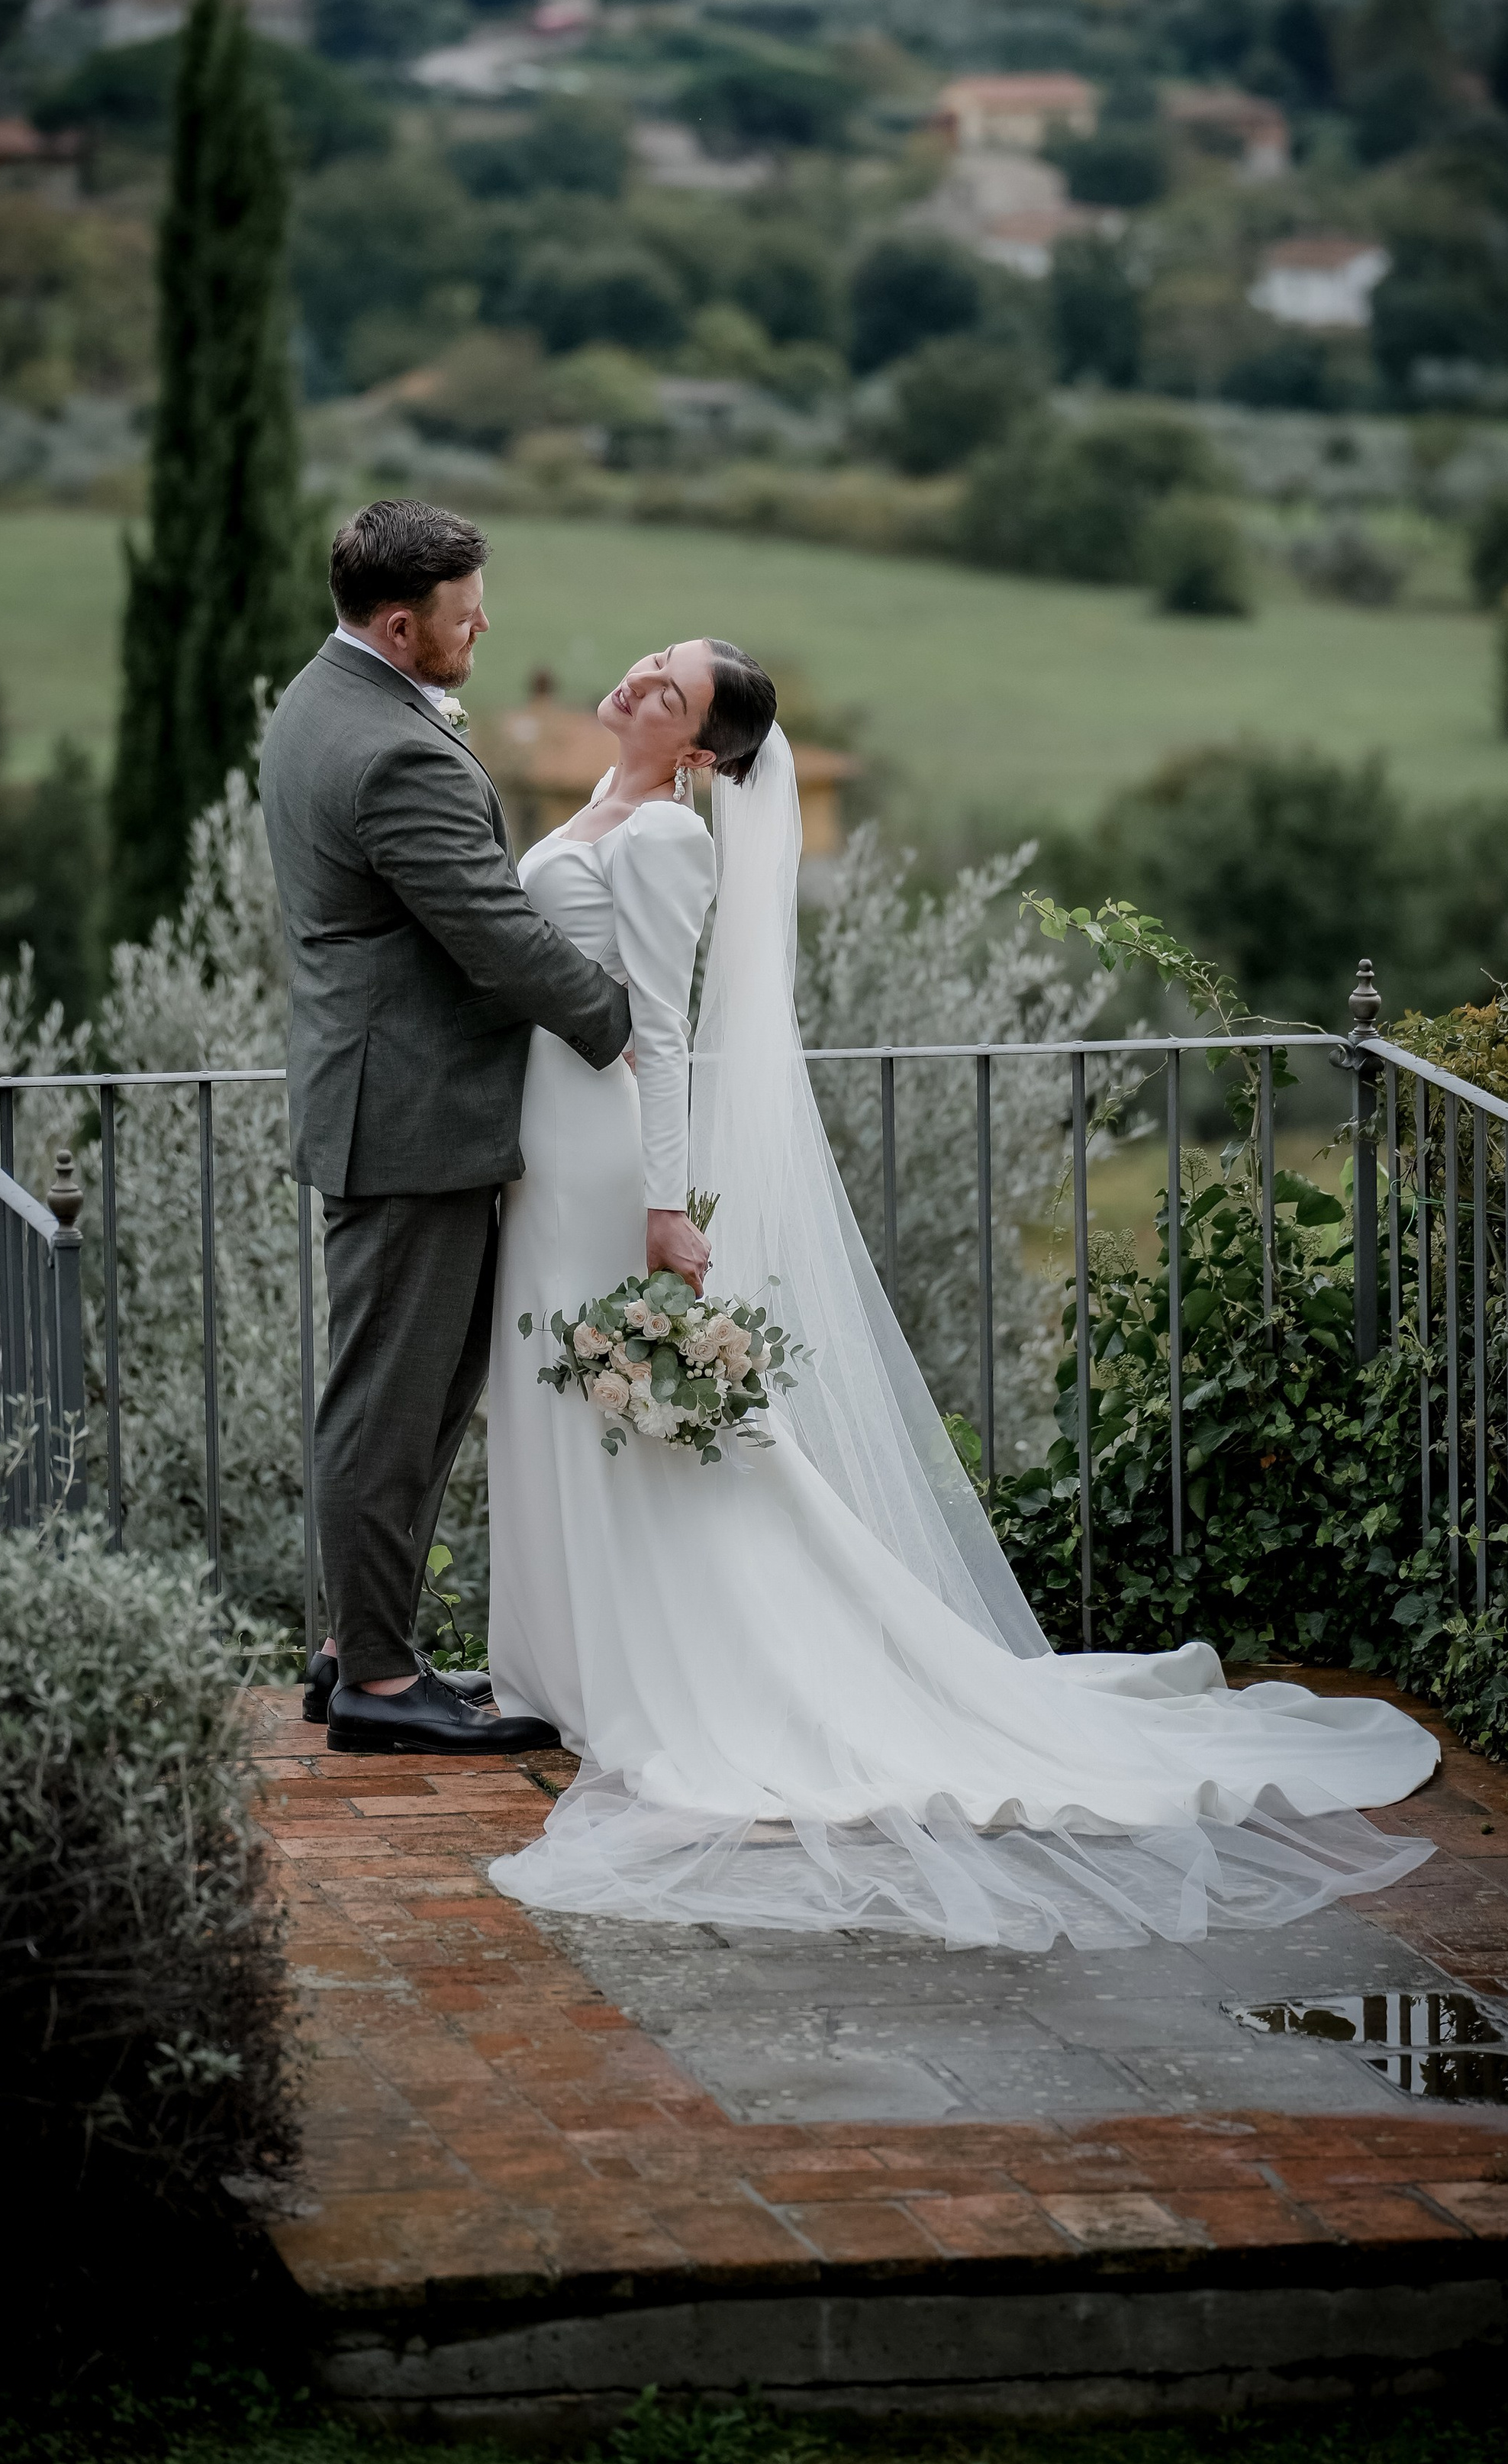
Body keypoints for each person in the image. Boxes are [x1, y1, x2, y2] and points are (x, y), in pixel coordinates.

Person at [485, 636, 1441, 1951]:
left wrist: (664, 1201)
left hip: (603, 1161)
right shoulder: (603, 803)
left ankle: (644, 1671)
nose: (643, 680)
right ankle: (561, 1663)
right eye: (656, 662)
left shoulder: (663, 837)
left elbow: (659, 1025)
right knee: (556, 1396)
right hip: (545, 1150)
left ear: (700, 749)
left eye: (675, 689)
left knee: (613, 1403)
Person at [259, 500, 631, 1757]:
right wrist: (614, 1020)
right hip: (411, 1114)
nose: (485, 629)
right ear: (399, 624)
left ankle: (357, 1649)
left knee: (404, 1399)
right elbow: (490, 931)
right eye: (465, 616)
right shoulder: (392, 751)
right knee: (393, 1405)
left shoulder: (322, 699)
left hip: (388, 1099)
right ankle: (375, 1678)